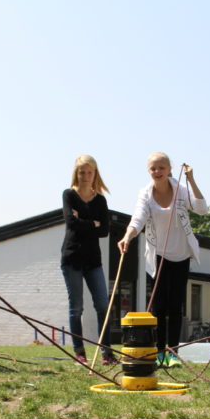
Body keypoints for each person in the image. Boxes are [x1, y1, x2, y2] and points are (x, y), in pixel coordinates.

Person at [117, 153, 207, 367]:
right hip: (158, 256)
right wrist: (127, 237)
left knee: (176, 306)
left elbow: (202, 209)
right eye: (153, 168)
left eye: (161, 168)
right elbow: (137, 219)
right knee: (159, 307)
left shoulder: (181, 190)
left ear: (169, 169)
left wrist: (192, 179)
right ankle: (158, 352)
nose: (157, 172)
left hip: (181, 254)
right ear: (149, 171)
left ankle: (173, 353)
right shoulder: (145, 194)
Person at [60, 155, 118, 365]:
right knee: (76, 307)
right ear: (76, 173)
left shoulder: (100, 200)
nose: (85, 176)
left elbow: (104, 231)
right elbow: (70, 223)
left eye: (89, 172)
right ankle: (80, 353)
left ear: (95, 173)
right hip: (72, 258)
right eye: (81, 172)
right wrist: (91, 223)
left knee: (103, 306)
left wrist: (81, 221)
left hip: (93, 260)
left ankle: (107, 353)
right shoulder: (69, 195)